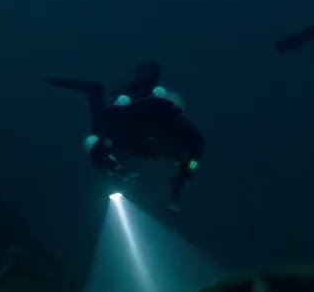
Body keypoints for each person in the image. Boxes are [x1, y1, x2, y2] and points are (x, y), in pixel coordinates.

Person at [45, 60, 203, 212]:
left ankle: (116, 168)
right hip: (130, 133)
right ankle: (116, 168)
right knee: (101, 141)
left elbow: (195, 153)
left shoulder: (171, 131)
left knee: (103, 140)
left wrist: (185, 175)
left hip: (133, 135)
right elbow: (195, 152)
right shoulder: (129, 125)